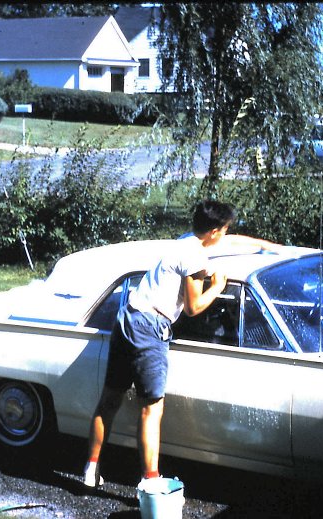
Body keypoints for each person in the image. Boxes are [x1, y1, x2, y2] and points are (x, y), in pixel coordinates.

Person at [83, 200, 246, 488]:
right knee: (151, 409)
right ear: (213, 232)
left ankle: (90, 470)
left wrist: (272, 248)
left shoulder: (184, 242)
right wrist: (217, 287)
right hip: (150, 326)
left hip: (128, 316)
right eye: (224, 230)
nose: (226, 235)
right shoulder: (195, 258)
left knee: (109, 400)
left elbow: (230, 241)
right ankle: (151, 482)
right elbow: (193, 308)